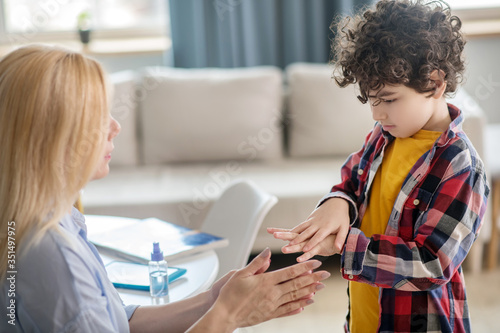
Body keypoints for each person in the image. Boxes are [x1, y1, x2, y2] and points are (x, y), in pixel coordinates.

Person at [0, 45, 330, 333]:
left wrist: (213, 301)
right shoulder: (55, 260)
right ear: (54, 138)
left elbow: (119, 322)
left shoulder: (51, 219)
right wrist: (228, 316)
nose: (115, 127)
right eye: (98, 117)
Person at [268, 1, 489, 332]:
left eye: (388, 99)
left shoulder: (460, 166)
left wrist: (346, 247)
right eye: (372, 101)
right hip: (364, 318)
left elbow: (431, 265)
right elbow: (351, 182)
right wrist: (337, 203)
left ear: (435, 82)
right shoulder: (384, 136)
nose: (377, 114)